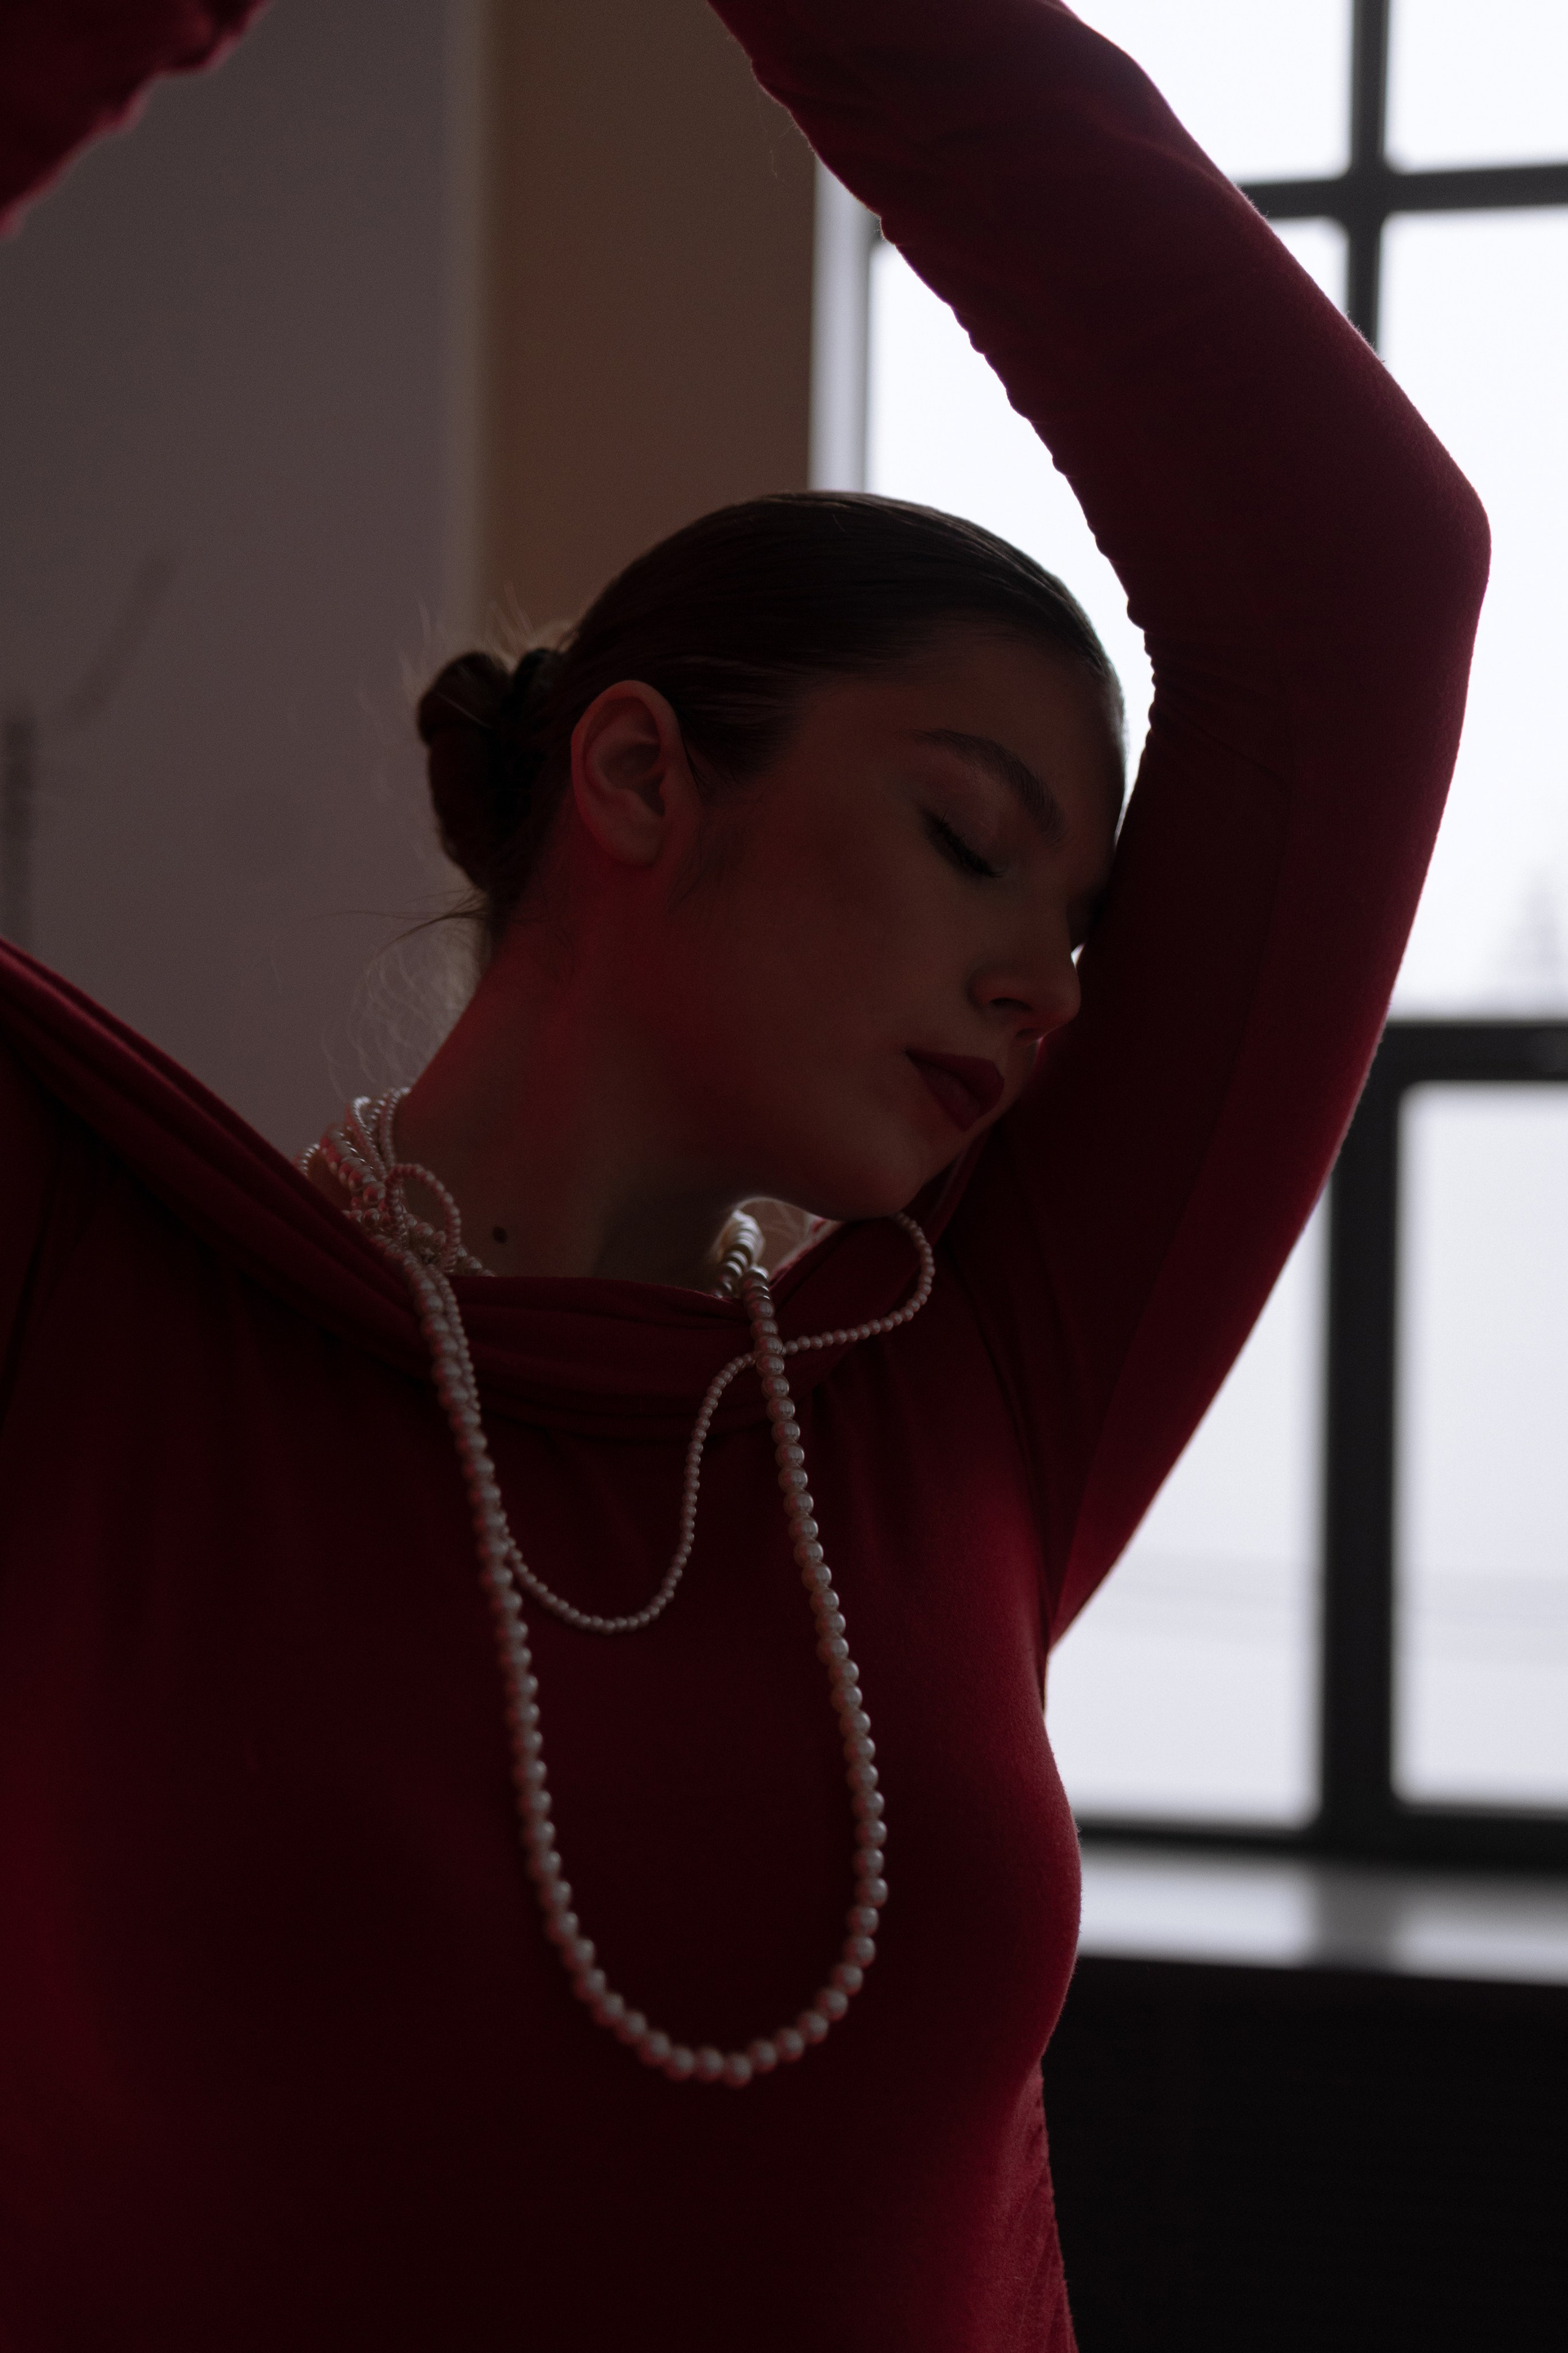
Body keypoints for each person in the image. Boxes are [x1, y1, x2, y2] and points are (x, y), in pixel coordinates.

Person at [0, 0, 1487, 2346]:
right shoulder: (101, 1311)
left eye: (1080, 924)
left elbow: (1356, 588)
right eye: (970, 841)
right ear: (635, 780)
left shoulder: (957, 1398)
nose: (1053, 993)